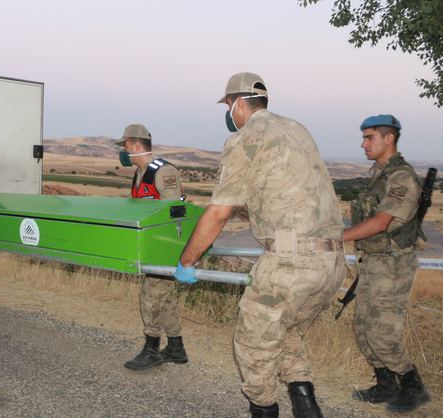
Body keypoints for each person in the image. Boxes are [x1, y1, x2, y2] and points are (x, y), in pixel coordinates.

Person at [174, 73, 345, 418]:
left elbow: (220, 210)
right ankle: (306, 405)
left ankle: (263, 409)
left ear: (237, 103)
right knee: (288, 332)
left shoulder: (246, 136)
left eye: (226, 105)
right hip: (332, 262)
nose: (227, 112)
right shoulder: (297, 129)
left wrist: (188, 260)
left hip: (290, 262)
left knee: (253, 346)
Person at [343, 115, 430, 413]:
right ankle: (385, 385)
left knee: (381, 334)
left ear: (388, 138)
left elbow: (381, 223)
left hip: (392, 266)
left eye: (369, 138)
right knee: (363, 329)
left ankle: (412, 386)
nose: (363, 143)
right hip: (372, 263)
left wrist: (337, 237)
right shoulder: (379, 174)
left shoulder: (401, 177)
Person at [117, 123, 189, 371]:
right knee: (165, 298)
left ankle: (152, 349)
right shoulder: (139, 173)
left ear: (136, 146)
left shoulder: (162, 171)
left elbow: (174, 212)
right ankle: (176, 348)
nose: (123, 152)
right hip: (151, 247)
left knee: (150, 297)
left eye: (125, 147)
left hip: (165, 248)